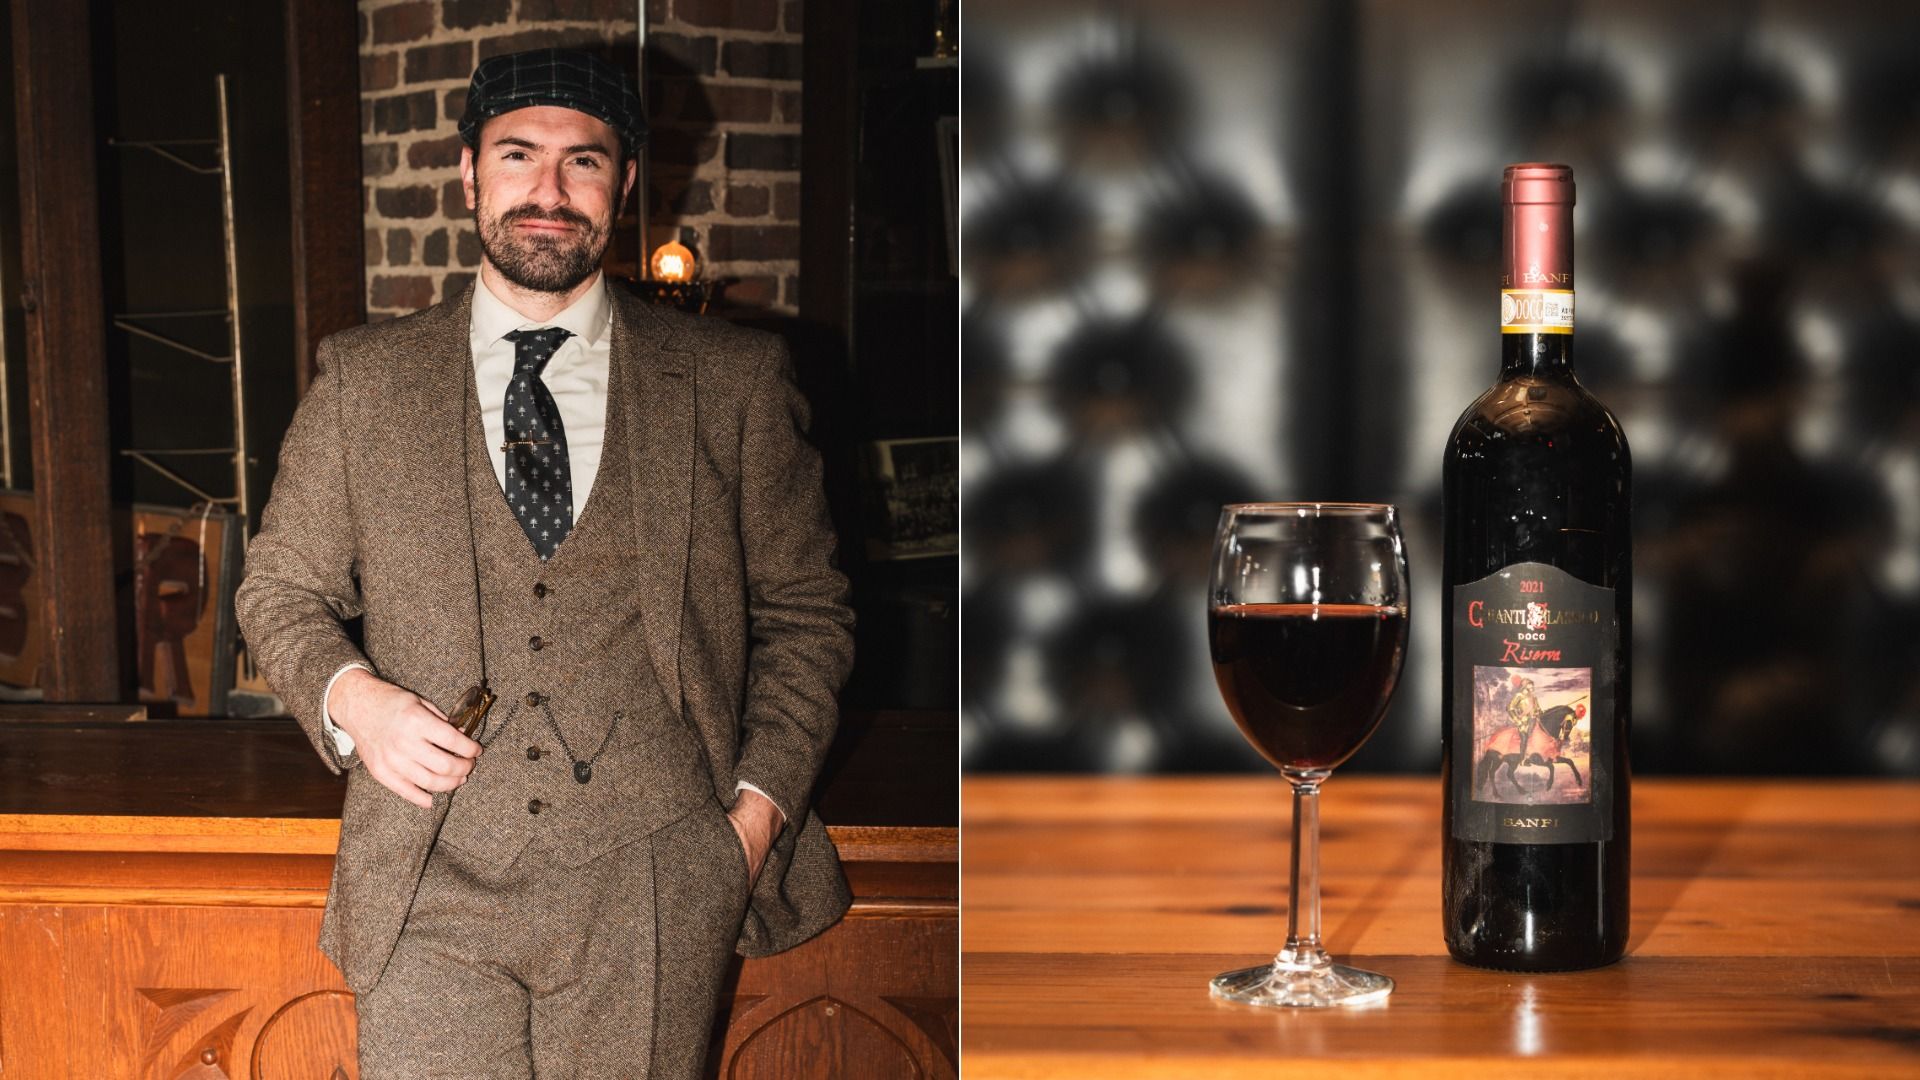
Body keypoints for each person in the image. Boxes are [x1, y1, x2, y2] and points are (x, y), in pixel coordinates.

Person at [234, 48, 854, 1077]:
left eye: (586, 163)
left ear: (626, 183)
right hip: (426, 874)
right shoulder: (364, 382)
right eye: (518, 157)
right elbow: (281, 589)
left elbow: (808, 612)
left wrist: (751, 820)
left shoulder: (731, 380)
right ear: (469, 173)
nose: (550, 194)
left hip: (657, 877)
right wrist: (357, 703)